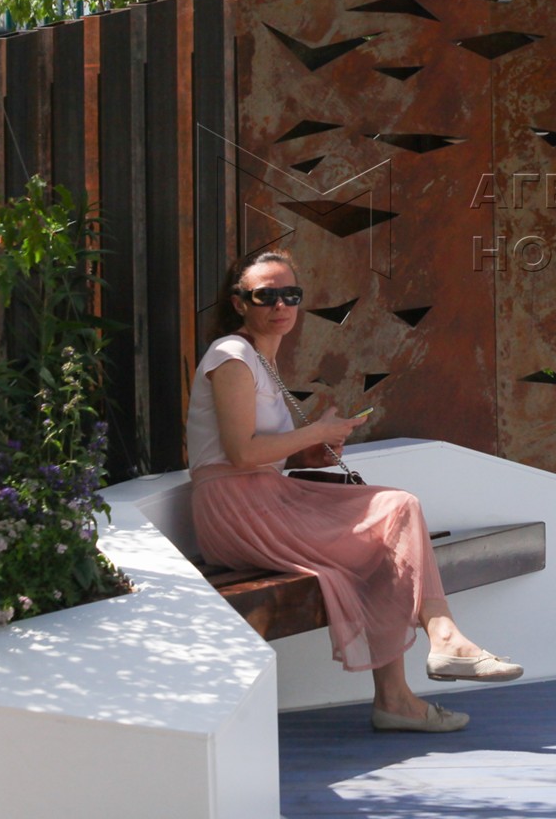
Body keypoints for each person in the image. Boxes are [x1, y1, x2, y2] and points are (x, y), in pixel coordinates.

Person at [186, 249, 521, 733]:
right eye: (265, 295)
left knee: (395, 520)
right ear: (239, 302)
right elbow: (239, 454)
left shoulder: (262, 360)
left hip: (267, 498)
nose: (280, 305)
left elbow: (256, 451)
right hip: (238, 510)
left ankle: (402, 693)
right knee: (395, 514)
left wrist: (308, 455)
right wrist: (316, 433)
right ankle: (438, 649)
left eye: (290, 295)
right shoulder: (231, 355)